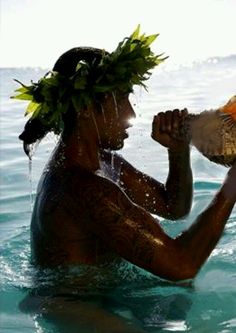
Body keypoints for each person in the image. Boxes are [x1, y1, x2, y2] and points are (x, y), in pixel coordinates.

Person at [14, 27, 236, 283]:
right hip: (78, 311)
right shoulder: (81, 188)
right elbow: (182, 266)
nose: (130, 114)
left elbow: (173, 208)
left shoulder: (102, 163)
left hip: (105, 296)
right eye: (120, 100)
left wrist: (177, 151)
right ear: (86, 108)